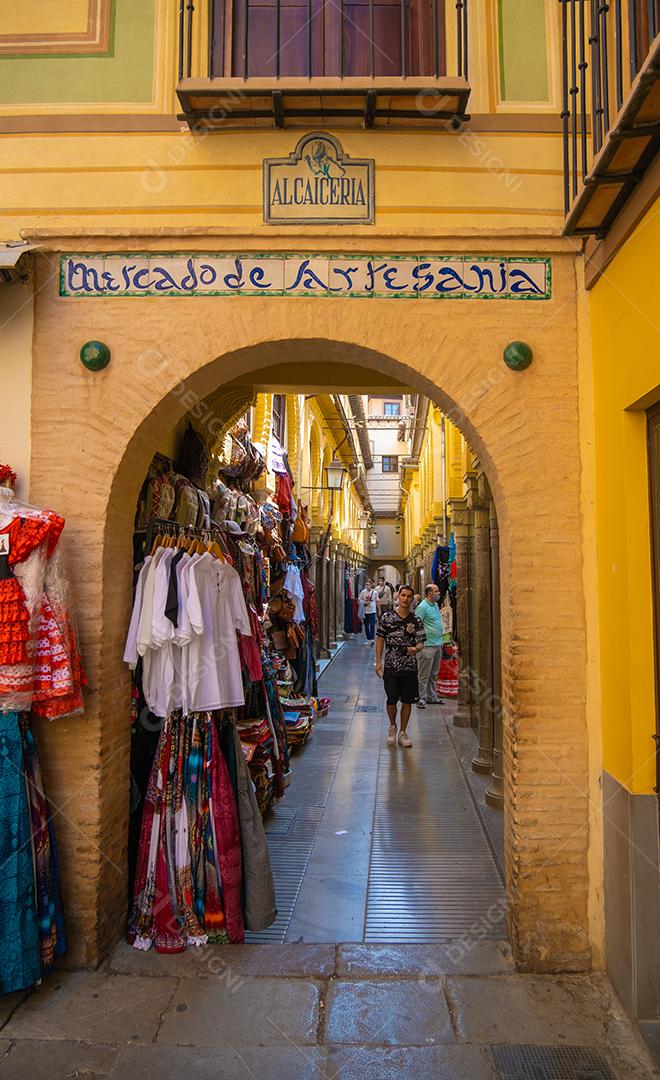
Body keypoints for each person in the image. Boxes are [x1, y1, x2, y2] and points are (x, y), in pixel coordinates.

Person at [374, 584, 425, 748]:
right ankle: (392, 726)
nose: (406, 599)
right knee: (391, 699)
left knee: (407, 700)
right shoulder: (387, 617)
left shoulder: (416, 620)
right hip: (391, 664)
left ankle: (403, 731)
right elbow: (380, 639)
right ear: (398, 596)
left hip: (409, 666)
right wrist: (378, 661)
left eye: (409, 596)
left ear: (412, 598)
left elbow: (421, 642)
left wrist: (415, 648)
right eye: (403, 595)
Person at [414, 583, 446, 708]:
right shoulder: (422, 607)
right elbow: (417, 624)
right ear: (429, 593)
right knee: (424, 674)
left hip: (437, 643)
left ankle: (432, 696)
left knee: (434, 673)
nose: (438, 593)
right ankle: (421, 698)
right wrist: (419, 642)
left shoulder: (435, 605)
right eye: (436, 591)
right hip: (427, 645)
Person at [358, 579, 377, 645]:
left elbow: (377, 601)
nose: (367, 586)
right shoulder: (363, 592)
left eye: (368, 585)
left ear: (371, 585)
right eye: (366, 585)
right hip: (365, 611)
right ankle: (368, 639)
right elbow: (359, 600)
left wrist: (379, 611)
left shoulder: (374, 592)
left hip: (372, 611)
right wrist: (364, 602)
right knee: (366, 626)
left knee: (372, 625)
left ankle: (372, 639)